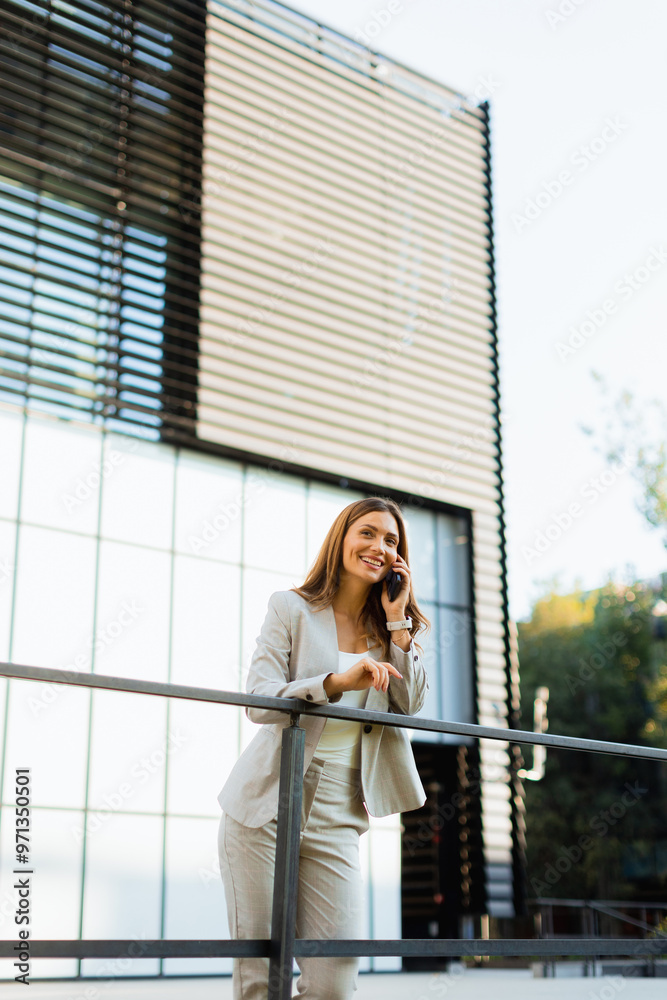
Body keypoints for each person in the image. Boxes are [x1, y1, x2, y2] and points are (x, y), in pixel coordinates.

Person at [217, 496, 430, 999]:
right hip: (265, 804)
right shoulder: (289, 607)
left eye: (391, 541)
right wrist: (334, 682)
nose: (379, 547)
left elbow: (412, 703)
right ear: (342, 538)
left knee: (335, 978)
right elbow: (259, 700)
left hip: (339, 810)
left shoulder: (392, 630)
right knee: (261, 978)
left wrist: (398, 618)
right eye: (368, 533)